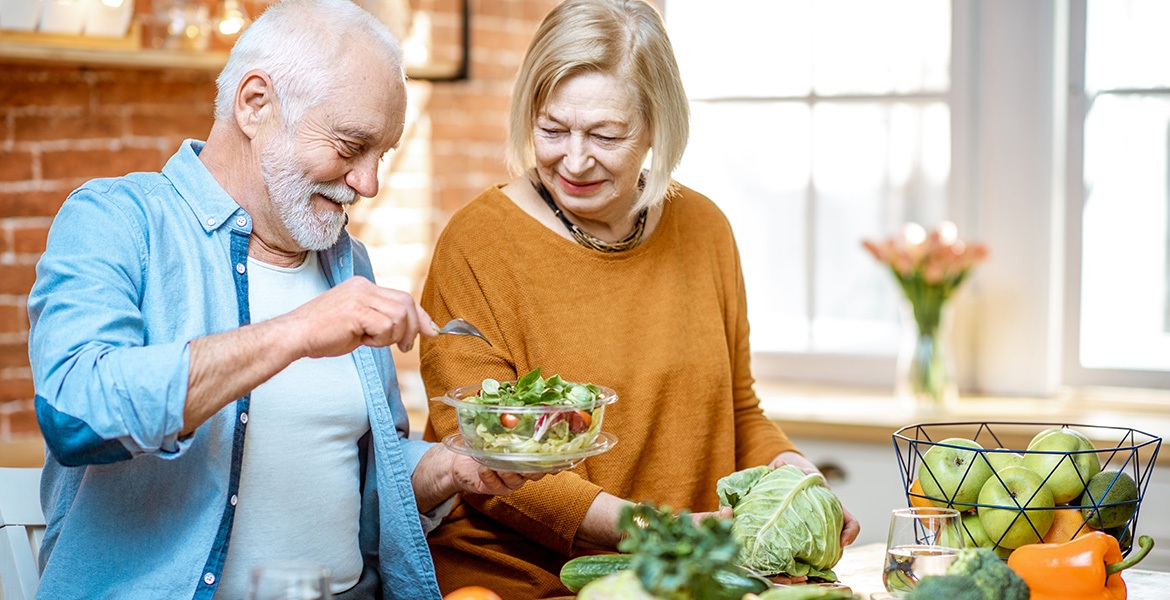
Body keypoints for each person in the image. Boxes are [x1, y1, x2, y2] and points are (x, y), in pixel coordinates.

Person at [25, 1, 537, 598]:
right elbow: (75, 413)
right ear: (254, 103)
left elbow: (356, 487)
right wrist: (295, 331)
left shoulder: (348, 263)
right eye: (350, 146)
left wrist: (449, 469)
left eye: (383, 156)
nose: (367, 183)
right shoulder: (117, 219)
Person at [417, 0, 861, 596]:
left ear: (657, 125)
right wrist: (657, 529)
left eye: (606, 134)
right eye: (551, 130)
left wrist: (796, 479)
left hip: (682, 572)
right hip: (518, 581)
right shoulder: (478, 243)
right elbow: (480, 454)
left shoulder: (705, 229)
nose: (573, 160)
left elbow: (738, 408)